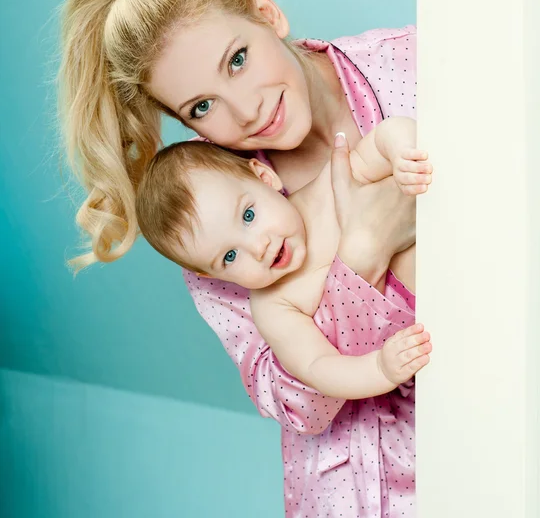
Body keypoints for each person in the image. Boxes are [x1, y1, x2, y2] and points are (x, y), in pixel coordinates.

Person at [58, 0, 419, 517]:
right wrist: (365, 250)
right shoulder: (215, 240)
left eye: (238, 60)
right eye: (201, 107)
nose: (246, 109)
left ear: (265, 11)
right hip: (366, 493)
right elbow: (303, 404)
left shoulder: (411, 63)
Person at [135, 118, 433, 401]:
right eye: (230, 255)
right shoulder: (274, 307)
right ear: (211, 276)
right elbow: (318, 367)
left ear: (265, 178)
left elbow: (384, 138)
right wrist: (380, 368)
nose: (258, 247)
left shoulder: (327, 187)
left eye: (248, 216)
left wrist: (403, 155)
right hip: (431, 345)